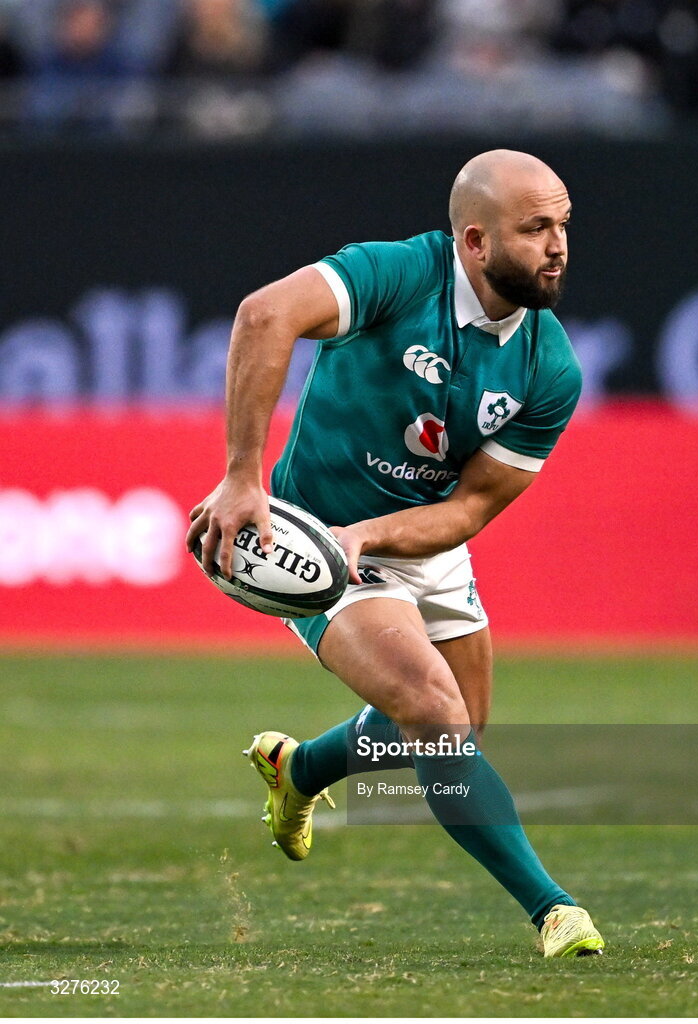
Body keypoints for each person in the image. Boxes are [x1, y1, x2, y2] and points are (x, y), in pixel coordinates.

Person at [186, 148, 605, 959]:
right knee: (437, 717)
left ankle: (300, 769)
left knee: (461, 726)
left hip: (412, 534)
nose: (558, 245)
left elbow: (471, 507)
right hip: (314, 531)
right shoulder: (397, 275)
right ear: (475, 242)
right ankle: (553, 909)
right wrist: (244, 476)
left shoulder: (549, 366)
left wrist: (374, 537)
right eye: (536, 228)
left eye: (563, 226)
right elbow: (264, 316)